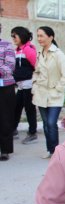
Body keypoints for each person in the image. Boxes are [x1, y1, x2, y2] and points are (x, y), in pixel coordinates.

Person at [32, 26, 65, 159]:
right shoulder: (40, 53)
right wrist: (34, 87)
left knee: (51, 123)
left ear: (51, 37)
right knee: (45, 124)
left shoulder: (58, 54)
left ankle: (56, 152)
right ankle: (50, 150)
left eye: (42, 36)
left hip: (55, 95)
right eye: (38, 36)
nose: (39, 39)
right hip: (41, 94)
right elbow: (37, 71)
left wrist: (57, 90)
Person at [11, 26, 37, 144]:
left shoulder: (28, 50)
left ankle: (32, 133)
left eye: (14, 35)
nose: (13, 38)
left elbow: (37, 67)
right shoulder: (17, 50)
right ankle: (13, 130)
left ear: (21, 35)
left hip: (29, 85)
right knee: (16, 108)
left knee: (29, 109)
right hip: (21, 85)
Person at [0, 23, 16, 161]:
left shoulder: (7, 46)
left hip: (4, 88)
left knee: (5, 119)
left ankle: (5, 150)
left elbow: (9, 67)